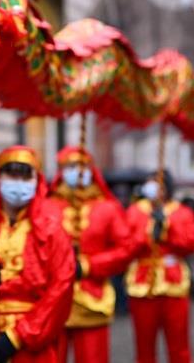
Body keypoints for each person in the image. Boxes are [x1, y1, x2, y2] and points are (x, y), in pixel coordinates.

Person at [0, 146, 75, 363]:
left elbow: (61, 287)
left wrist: (18, 336)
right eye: (11, 174)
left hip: (34, 340)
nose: (18, 181)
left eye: (25, 175)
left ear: (37, 181)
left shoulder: (52, 228)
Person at [48, 146, 137, 363]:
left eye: (82, 166)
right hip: (50, 302)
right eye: (70, 167)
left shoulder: (108, 208)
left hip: (92, 300)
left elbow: (126, 249)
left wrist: (88, 266)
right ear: (61, 171)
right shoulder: (46, 207)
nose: (77, 171)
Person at [125, 176, 194, 363]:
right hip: (142, 282)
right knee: (144, 346)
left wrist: (169, 229)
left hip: (173, 282)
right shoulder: (134, 212)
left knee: (179, 345)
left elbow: (192, 243)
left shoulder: (182, 212)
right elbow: (126, 244)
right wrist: (148, 233)